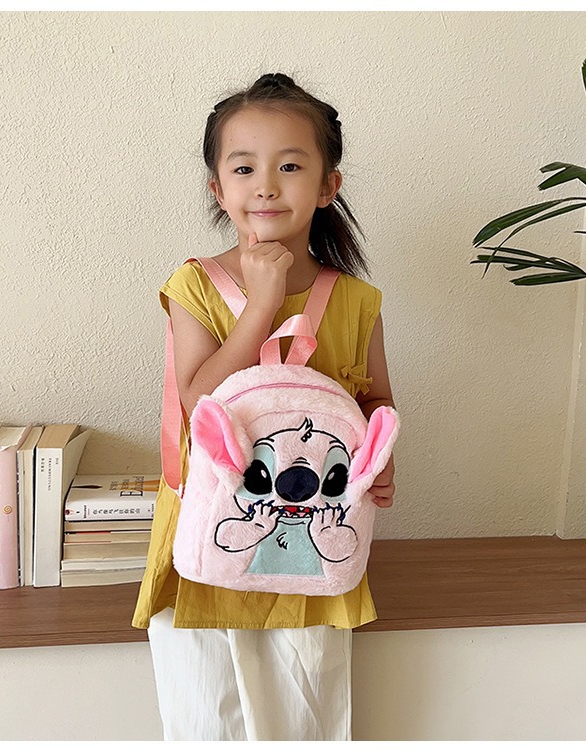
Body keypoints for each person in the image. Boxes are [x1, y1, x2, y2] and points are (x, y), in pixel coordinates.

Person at [132, 72, 396, 741]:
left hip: (313, 540)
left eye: (291, 166)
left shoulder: (356, 301)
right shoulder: (196, 284)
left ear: (329, 185)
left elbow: (376, 401)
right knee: (205, 713)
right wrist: (262, 304)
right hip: (209, 535)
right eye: (244, 167)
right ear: (218, 189)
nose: (267, 185)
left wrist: (383, 462)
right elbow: (198, 401)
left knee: (305, 712)